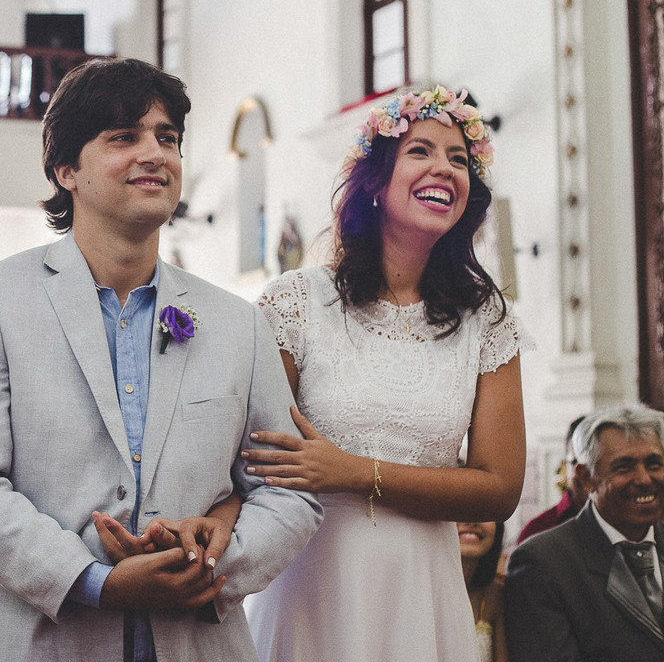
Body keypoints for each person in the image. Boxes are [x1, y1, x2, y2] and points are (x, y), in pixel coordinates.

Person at [0, 57, 322, 661]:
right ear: (67, 169)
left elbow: (289, 488)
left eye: (168, 138)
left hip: (195, 640)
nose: (154, 153)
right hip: (38, 640)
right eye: (123, 137)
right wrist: (95, 582)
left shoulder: (238, 324)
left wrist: (209, 569)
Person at [240, 86, 530, 661]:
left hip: (421, 585)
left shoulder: (486, 320)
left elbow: (499, 488)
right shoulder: (297, 304)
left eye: (459, 159)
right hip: (312, 577)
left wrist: (353, 471)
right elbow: (251, 456)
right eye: (421, 151)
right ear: (374, 181)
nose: (445, 168)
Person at [505, 404, 664, 661]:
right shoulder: (541, 563)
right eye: (624, 467)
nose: (644, 479)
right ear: (586, 478)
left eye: (654, 463)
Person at [517, 414, 587, 544]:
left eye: (597, 464)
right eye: (578, 463)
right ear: (565, 465)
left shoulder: (629, 525)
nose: (589, 475)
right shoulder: (538, 531)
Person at [459, 519, 508, 662]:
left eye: (485, 512)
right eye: (460, 509)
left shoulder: (496, 596)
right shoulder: (415, 591)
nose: (472, 521)